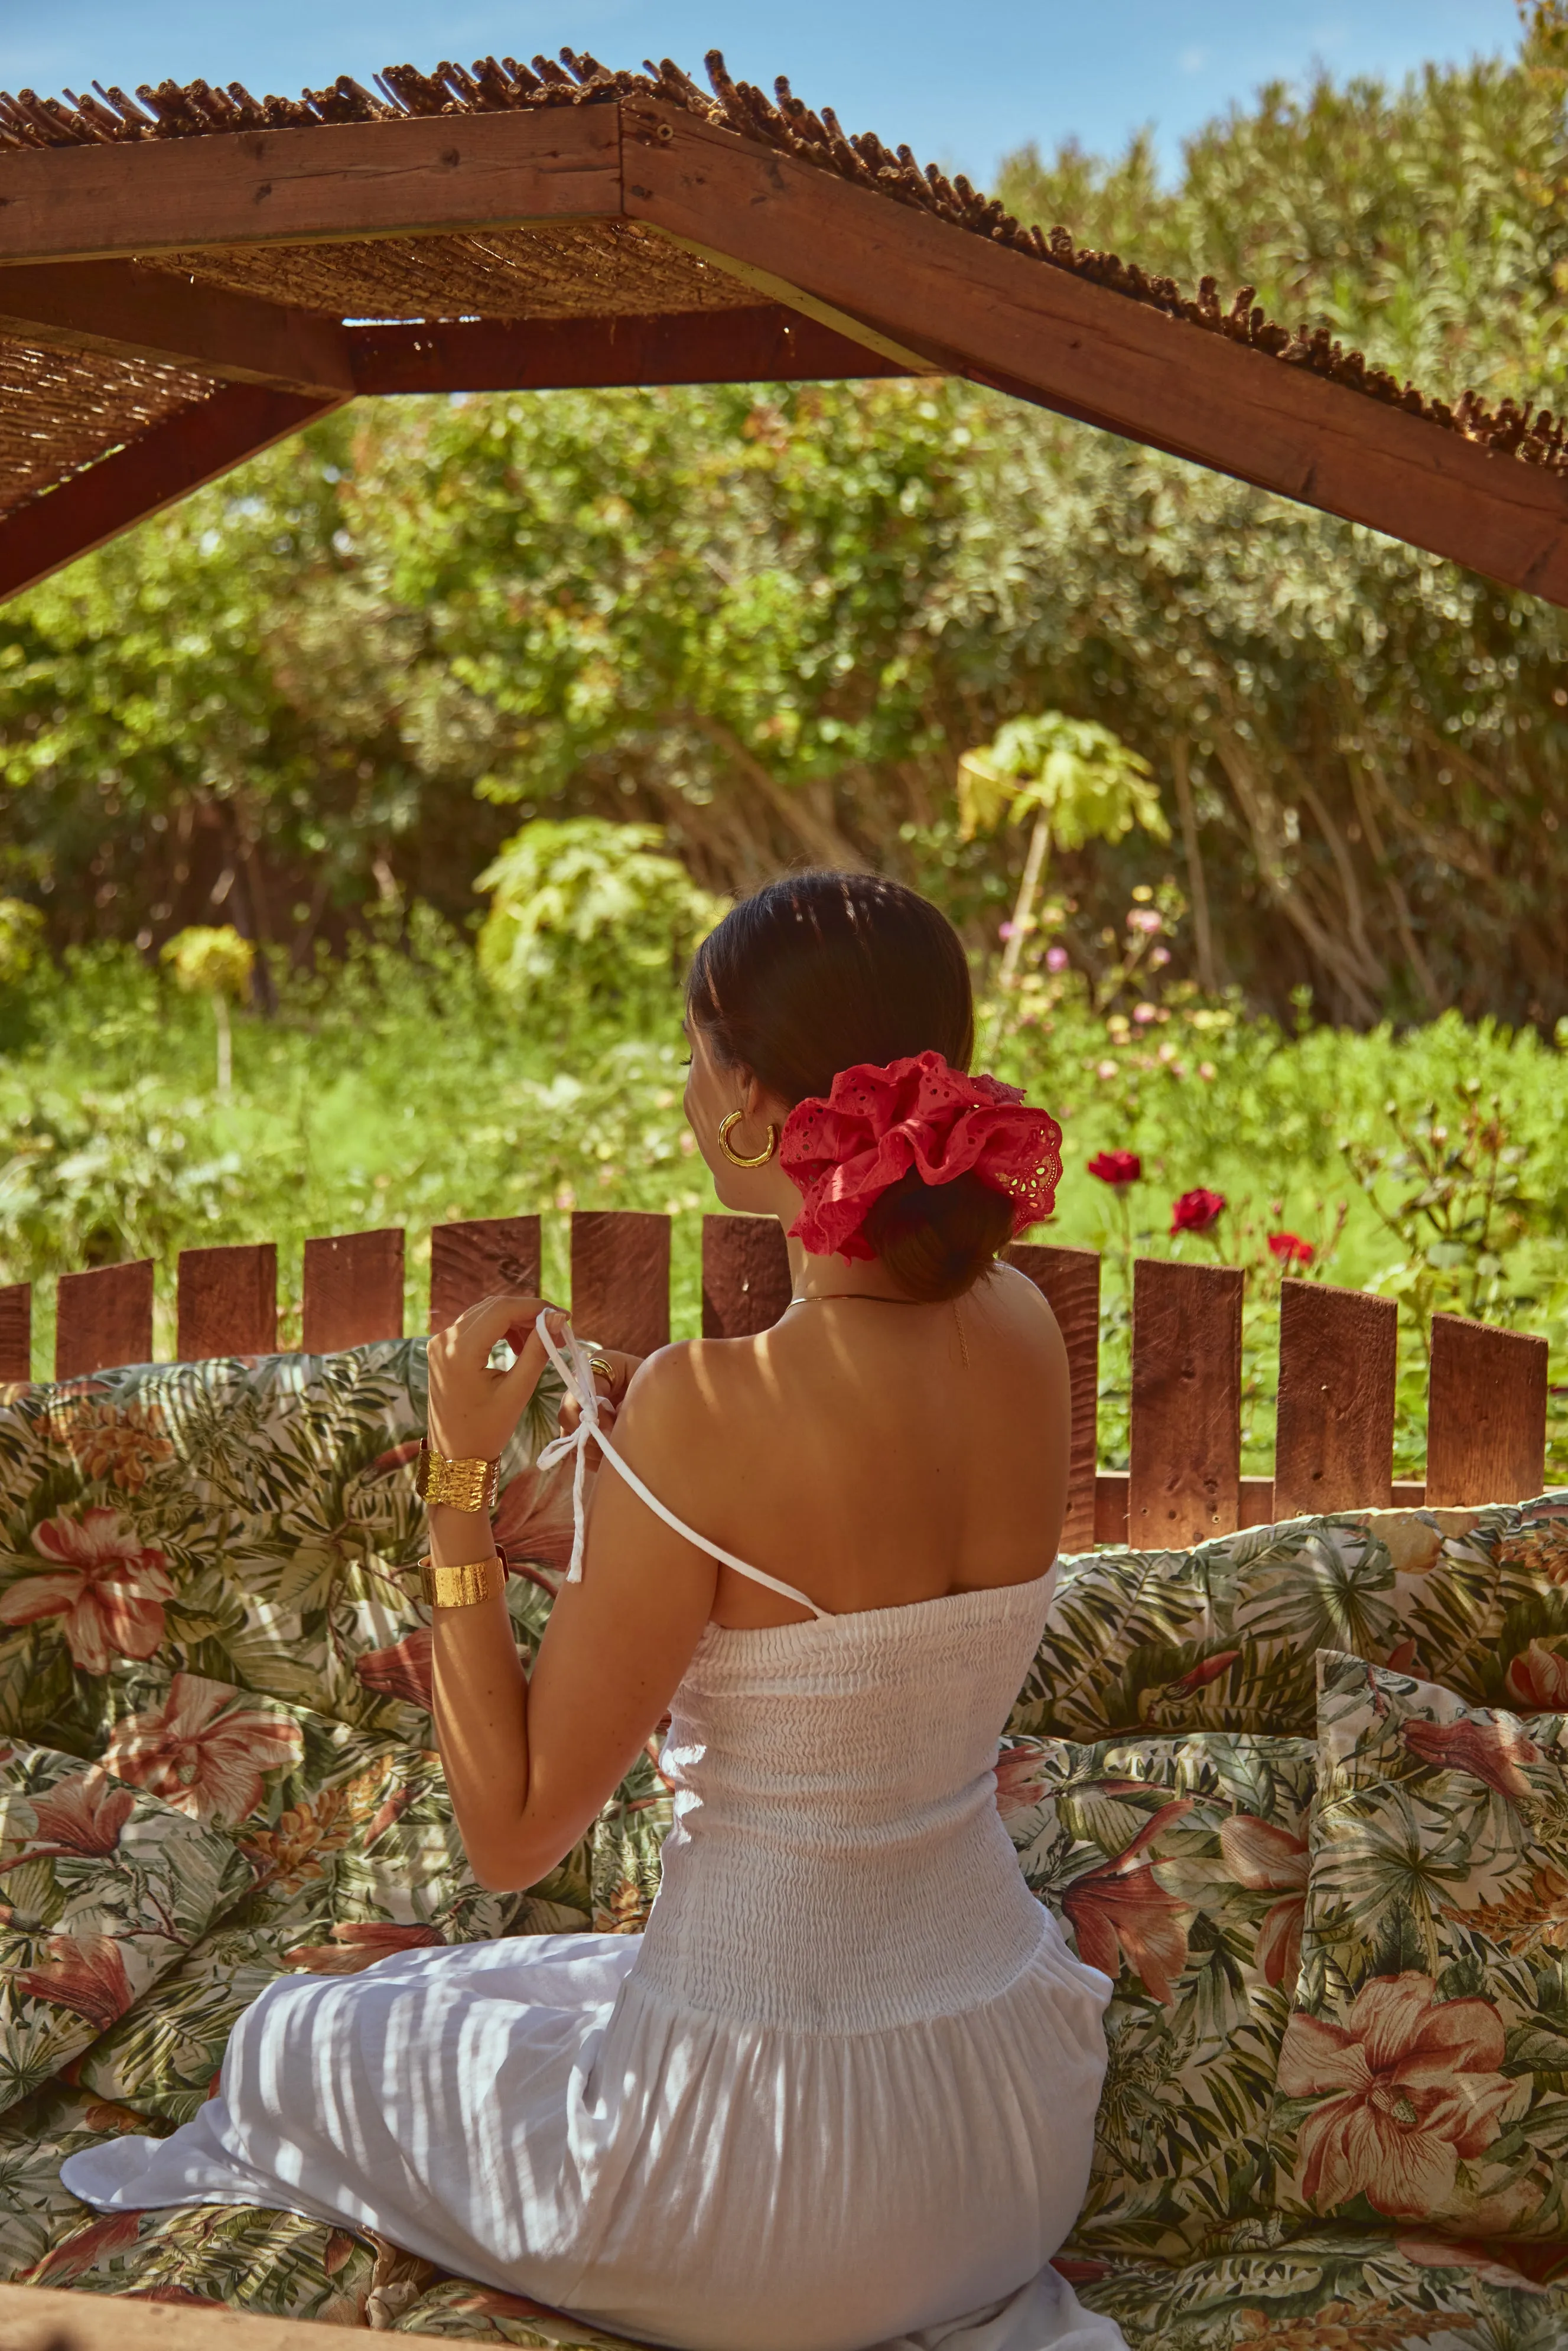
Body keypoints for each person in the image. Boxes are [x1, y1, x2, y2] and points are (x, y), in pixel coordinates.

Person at [63, 870, 1124, 2351]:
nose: (689, 1091)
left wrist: (454, 1477)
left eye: (698, 1058)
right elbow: (842, 1567)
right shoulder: (1022, 1331)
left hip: (761, 2190)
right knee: (508, 1992)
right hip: (1001, 2128)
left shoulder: (709, 1410)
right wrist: (661, 1457)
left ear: (752, 1107)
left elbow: (509, 1836)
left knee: (292, 2037)